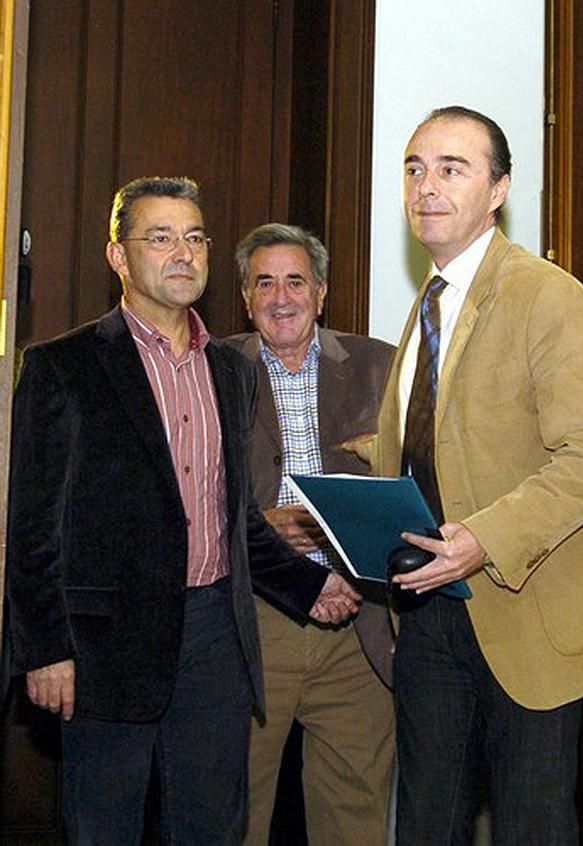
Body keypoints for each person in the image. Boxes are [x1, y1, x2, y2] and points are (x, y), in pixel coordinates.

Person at [6, 177, 361, 845]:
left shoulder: (231, 369)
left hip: (214, 638)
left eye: (194, 237)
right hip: (105, 646)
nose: (182, 253)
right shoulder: (64, 366)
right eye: (160, 237)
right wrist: (46, 649)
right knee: (104, 829)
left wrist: (309, 586)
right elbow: (33, 526)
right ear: (118, 256)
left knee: (211, 828)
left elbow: (233, 521)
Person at [364, 106, 583, 844]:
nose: (427, 185)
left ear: (498, 190)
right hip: (428, 612)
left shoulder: (546, 295)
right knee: (425, 824)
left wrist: (482, 539)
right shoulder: (427, 305)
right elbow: (443, 438)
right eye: (414, 168)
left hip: (527, 607)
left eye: (452, 168)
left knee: (531, 827)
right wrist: (337, 490)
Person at [225, 223, 396, 845]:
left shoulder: (382, 365)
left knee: (356, 817)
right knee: (233, 812)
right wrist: (260, 527)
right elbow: (187, 494)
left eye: (295, 280)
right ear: (245, 298)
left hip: (360, 626)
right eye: (263, 282)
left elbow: (421, 482)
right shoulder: (216, 371)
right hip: (253, 622)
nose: (280, 296)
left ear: (321, 292)